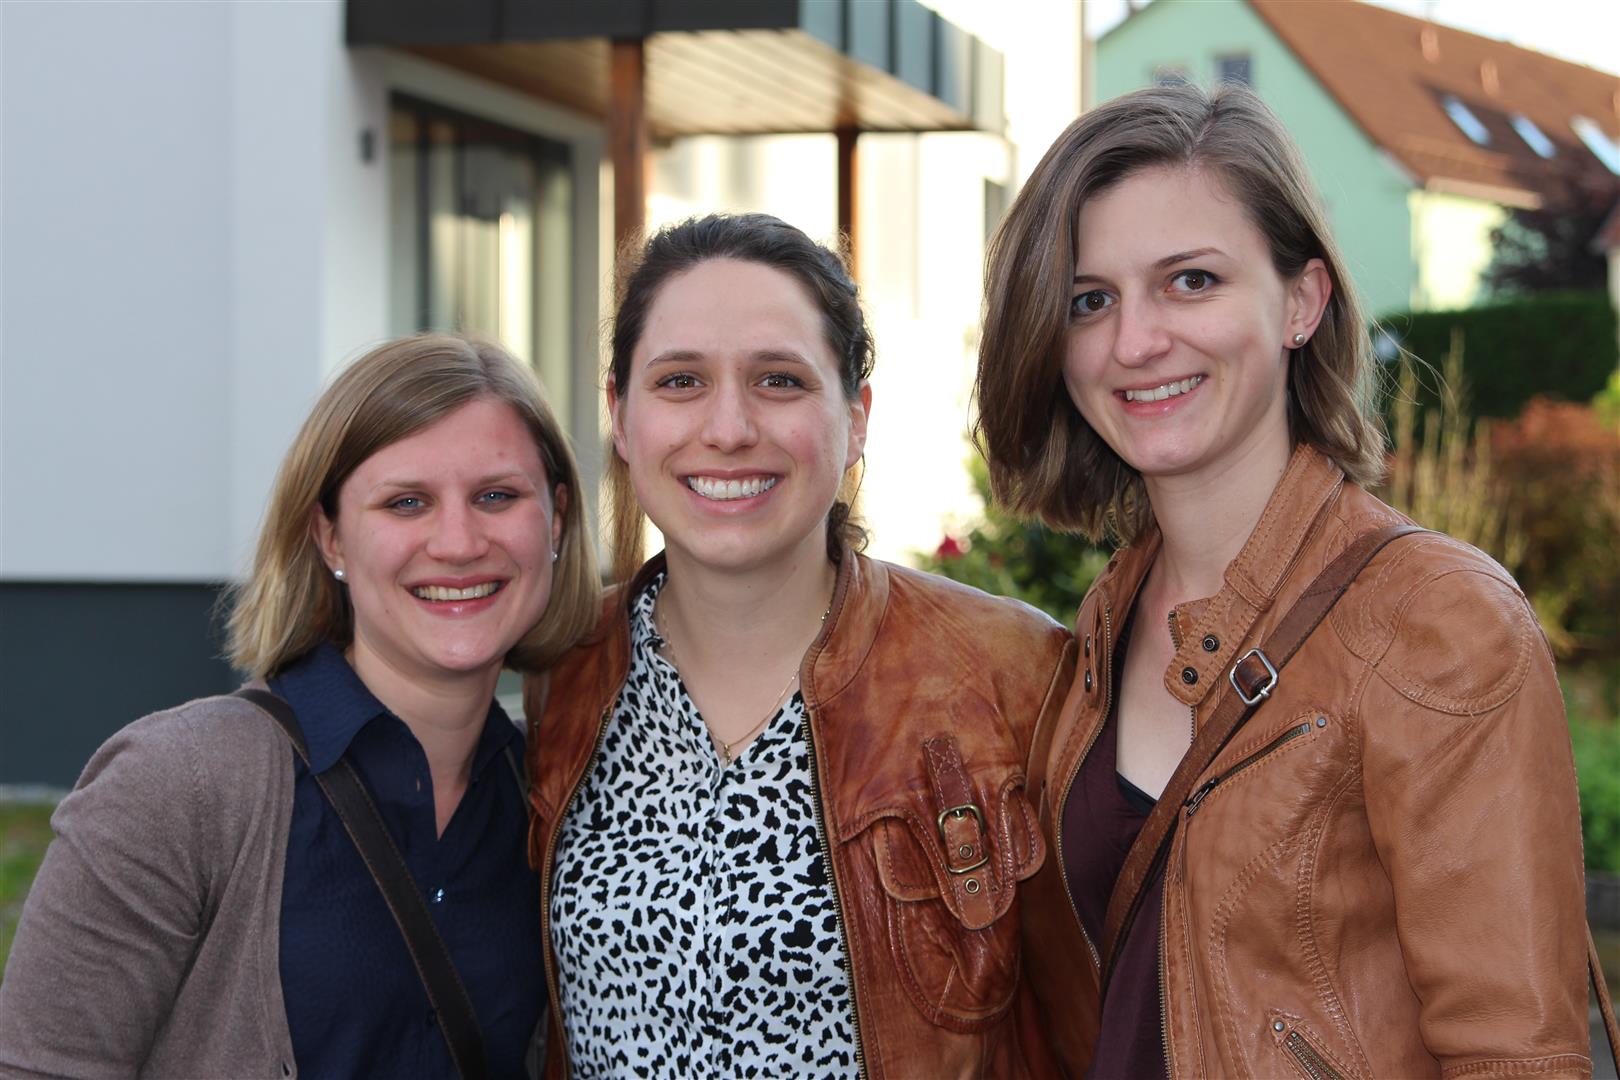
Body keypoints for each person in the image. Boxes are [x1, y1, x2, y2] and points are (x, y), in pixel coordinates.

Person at [973, 81, 1610, 1078]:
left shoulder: (1435, 622)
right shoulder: (1107, 619)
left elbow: (1516, 1056)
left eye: (1191, 281)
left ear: (1302, 302)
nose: (1135, 342)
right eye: (1090, 300)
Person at [523, 213, 1076, 1079]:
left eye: (779, 380)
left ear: (855, 418)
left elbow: (1098, 1023)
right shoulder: (560, 674)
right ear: (620, 417)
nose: (729, 427)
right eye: (680, 381)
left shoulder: (1009, 675)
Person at [0, 333, 599, 1078]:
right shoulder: (176, 787)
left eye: (497, 496)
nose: (457, 542)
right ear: (330, 537)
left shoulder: (555, 796)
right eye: (406, 502)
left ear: (556, 520)